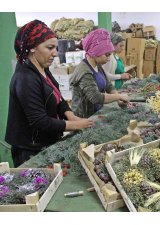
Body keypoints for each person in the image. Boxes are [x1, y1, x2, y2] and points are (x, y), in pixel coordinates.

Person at [5, 20, 93, 167]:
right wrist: (76, 125)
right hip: (31, 150)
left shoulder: (42, 68)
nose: (55, 53)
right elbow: (39, 121)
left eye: (56, 47)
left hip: (46, 141)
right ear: (32, 47)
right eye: (50, 48)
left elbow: (57, 96)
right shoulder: (25, 78)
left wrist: (69, 114)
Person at [70, 28, 129, 118]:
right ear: (95, 52)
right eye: (107, 55)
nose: (109, 58)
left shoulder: (97, 65)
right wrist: (119, 97)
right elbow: (96, 97)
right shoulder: (84, 72)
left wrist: (117, 97)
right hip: (83, 118)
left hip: (95, 114)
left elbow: (108, 85)